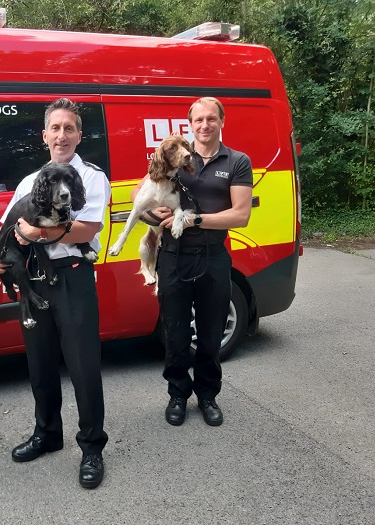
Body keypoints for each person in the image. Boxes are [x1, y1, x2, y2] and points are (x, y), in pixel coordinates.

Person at [0, 98, 111, 489]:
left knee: (83, 367)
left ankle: (91, 448)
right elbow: (9, 223)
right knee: (39, 364)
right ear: (44, 136)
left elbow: (86, 231)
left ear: (78, 134)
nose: (61, 135)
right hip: (35, 279)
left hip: (71, 275)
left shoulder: (91, 177)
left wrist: (38, 233)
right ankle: (48, 434)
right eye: (54, 128)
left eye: (68, 128)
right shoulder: (29, 182)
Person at [132, 97, 252, 427]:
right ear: (190, 125)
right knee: (175, 332)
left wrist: (195, 220)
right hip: (172, 257)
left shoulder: (238, 161)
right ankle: (178, 395)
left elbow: (240, 216)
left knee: (211, 333)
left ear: (221, 121)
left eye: (211, 118)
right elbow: (139, 196)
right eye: (198, 120)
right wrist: (148, 215)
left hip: (213, 257)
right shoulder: (178, 156)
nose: (204, 125)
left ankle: (208, 395)